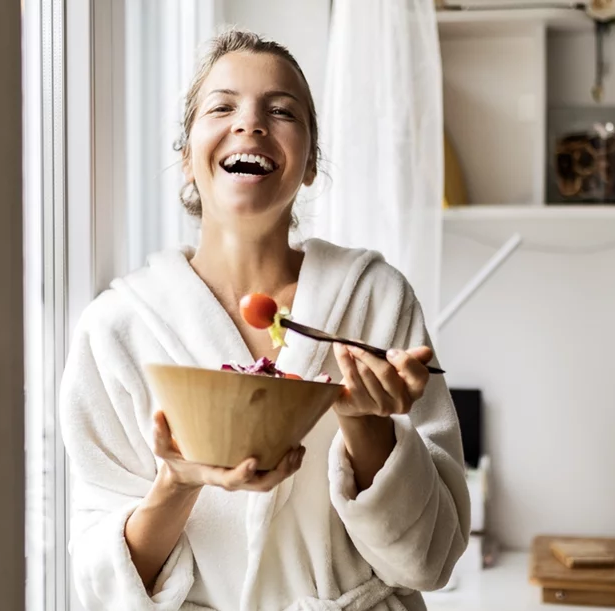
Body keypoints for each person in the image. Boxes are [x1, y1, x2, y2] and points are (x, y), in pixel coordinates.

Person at [58, 28, 470, 611]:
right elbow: (103, 589)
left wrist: (367, 426)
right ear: (186, 156)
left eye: (281, 111)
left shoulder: (374, 299)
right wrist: (178, 482)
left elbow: (431, 561)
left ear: (308, 165)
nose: (250, 123)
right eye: (222, 107)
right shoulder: (117, 328)